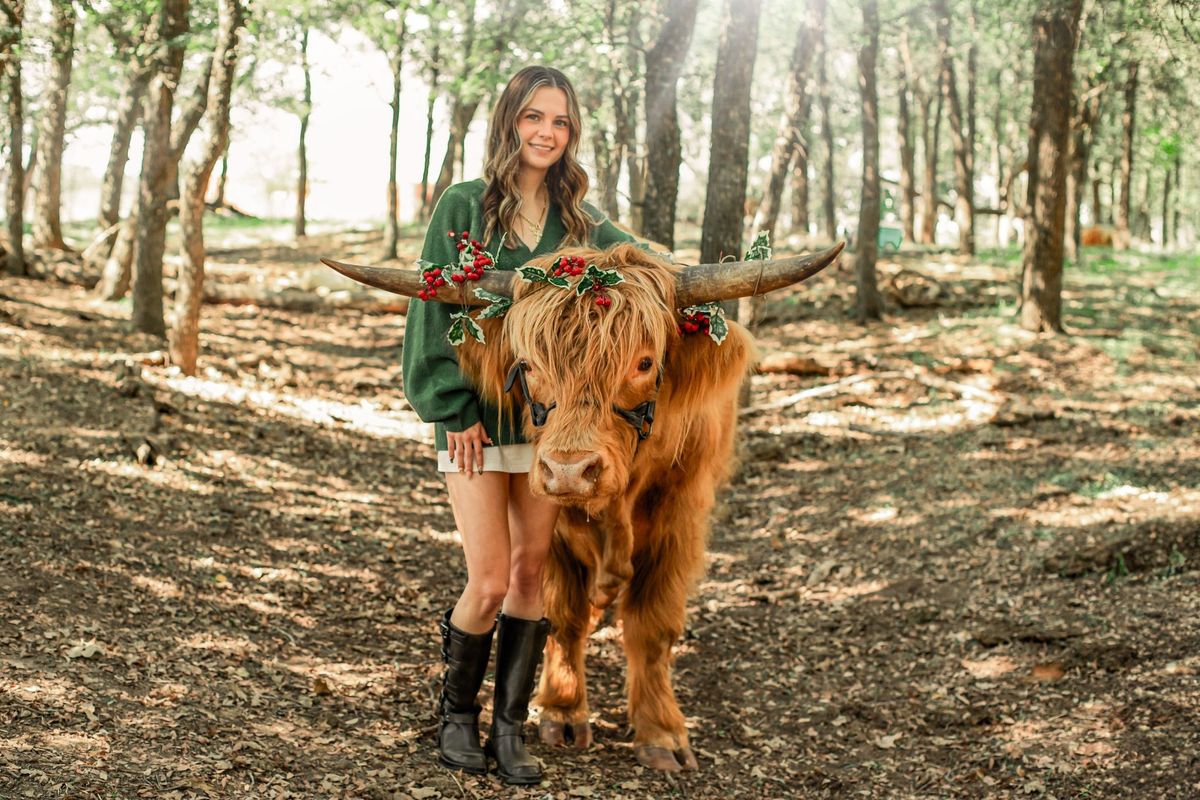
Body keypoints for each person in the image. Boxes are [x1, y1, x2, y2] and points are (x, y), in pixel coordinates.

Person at [401, 65, 638, 785]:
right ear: (510, 122)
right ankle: (455, 721)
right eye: (534, 117)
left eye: (560, 122)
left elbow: (648, 262)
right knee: (489, 579)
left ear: (571, 135)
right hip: (474, 424)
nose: (547, 132)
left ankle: (509, 731)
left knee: (532, 575)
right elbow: (429, 314)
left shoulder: (580, 223)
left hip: (544, 428)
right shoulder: (464, 206)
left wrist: (718, 285)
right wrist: (453, 411)